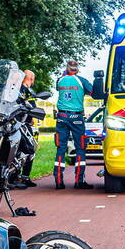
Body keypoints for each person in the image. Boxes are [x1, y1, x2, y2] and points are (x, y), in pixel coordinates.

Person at [54, 59, 94, 190]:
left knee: (61, 148)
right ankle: (79, 181)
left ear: (67, 68)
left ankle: (58, 182)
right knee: (80, 148)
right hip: (77, 117)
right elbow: (93, 93)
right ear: (77, 69)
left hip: (62, 117)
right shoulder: (81, 80)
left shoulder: (60, 80)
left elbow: (59, 85)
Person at [12, 69, 39, 189]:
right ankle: (25, 177)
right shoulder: (28, 91)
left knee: (15, 149)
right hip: (23, 124)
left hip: (12, 123)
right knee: (30, 149)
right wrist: (31, 118)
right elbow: (32, 108)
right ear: (31, 79)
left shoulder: (14, 89)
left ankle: (13, 176)